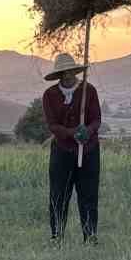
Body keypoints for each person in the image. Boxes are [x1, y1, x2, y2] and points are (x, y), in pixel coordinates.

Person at [42, 52, 102, 245]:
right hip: (61, 152)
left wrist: (87, 131)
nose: (67, 75)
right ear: (59, 75)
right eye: (63, 73)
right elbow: (52, 125)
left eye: (70, 72)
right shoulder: (49, 95)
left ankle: (90, 236)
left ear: (75, 72)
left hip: (89, 151)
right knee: (58, 195)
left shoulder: (88, 91)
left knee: (88, 195)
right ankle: (57, 236)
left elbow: (96, 119)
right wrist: (71, 133)